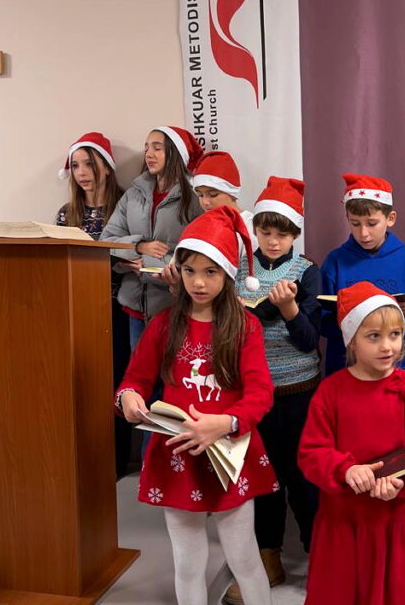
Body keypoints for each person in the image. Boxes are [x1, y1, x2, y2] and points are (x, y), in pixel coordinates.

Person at [115, 206, 276, 605]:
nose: (199, 282)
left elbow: (260, 393)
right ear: (178, 270)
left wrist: (225, 423)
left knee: (244, 558)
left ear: (228, 273)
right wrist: (128, 398)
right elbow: (134, 380)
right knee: (187, 563)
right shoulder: (163, 325)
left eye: (211, 272)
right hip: (178, 456)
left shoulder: (246, 326)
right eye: (190, 271)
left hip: (228, 454)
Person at [298, 281, 405, 605]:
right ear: (351, 340)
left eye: (395, 334)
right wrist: (346, 469)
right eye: (374, 336)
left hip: (395, 517)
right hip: (343, 520)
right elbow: (311, 452)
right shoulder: (331, 391)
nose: (387, 346)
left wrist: (400, 484)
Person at [224, 176, 321, 605]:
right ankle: (268, 558)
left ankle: (320, 557)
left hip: (299, 391)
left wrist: (289, 308)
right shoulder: (239, 271)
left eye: (282, 234)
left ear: (295, 234)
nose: (274, 241)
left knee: (304, 479)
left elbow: (309, 339)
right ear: (256, 232)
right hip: (254, 396)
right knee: (264, 479)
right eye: (265, 232)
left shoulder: (307, 271)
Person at [54, 131, 132, 477]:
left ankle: (117, 461)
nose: (82, 172)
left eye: (89, 163)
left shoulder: (125, 206)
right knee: (84, 385)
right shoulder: (66, 214)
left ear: (107, 166)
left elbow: (134, 251)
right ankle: (86, 461)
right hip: (78, 310)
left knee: (117, 382)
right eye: (75, 165)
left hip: (119, 309)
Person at [320, 173, 405, 377]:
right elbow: (321, 323)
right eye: (355, 224)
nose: (363, 233)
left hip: (397, 373)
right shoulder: (335, 262)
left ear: (390, 218)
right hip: (346, 373)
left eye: (372, 223)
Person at [101, 126, 203, 349]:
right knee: (139, 369)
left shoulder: (195, 199)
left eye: (157, 148)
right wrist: (139, 246)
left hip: (175, 307)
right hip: (134, 309)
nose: (149, 153)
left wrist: (147, 264)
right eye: (146, 147)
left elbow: (198, 257)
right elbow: (106, 241)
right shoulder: (132, 195)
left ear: (175, 153)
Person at [192, 150, 255, 240]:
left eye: (213, 195)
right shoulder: (200, 225)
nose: (205, 202)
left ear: (232, 193)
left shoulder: (251, 228)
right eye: (200, 195)